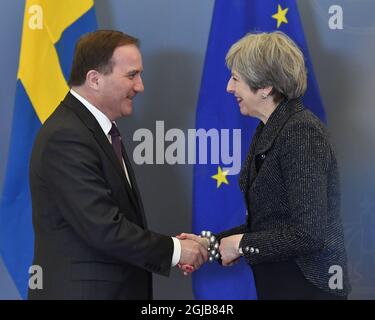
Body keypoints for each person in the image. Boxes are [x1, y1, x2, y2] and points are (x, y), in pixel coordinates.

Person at [28, 30, 208, 300]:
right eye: (131, 75)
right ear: (95, 79)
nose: (140, 87)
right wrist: (177, 250)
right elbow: (104, 228)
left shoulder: (96, 131)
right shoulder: (66, 136)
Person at [182, 31, 351, 299]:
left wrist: (242, 245)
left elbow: (309, 234)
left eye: (236, 79)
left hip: (307, 287)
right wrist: (210, 243)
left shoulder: (300, 131)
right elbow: (269, 224)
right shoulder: (272, 128)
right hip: (281, 284)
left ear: (265, 87)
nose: (229, 87)